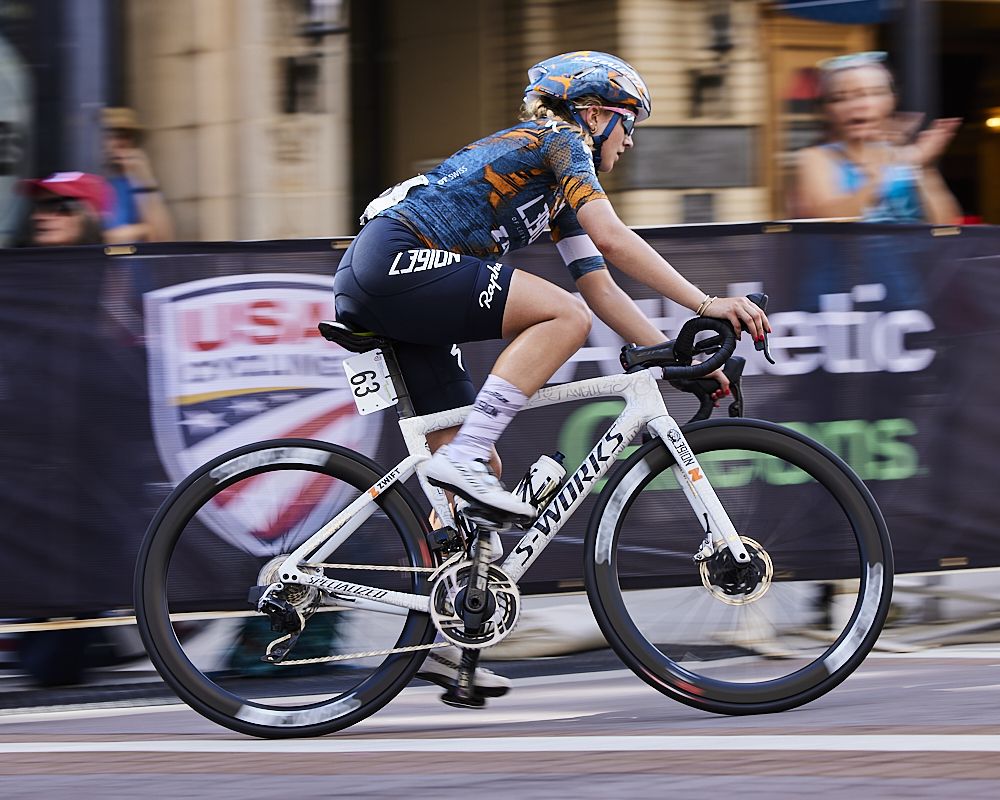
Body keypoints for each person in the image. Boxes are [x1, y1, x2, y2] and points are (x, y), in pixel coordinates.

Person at [334, 52, 770, 699]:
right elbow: (615, 241)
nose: (629, 140)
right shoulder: (562, 140)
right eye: (628, 125)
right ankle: (467, 458)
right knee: (557, 318)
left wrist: (676, 361)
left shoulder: (559, 181)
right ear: (594, 114)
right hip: (396, 261)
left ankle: (434, 636)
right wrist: (708, 305)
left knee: (473, 486)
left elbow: (601, 284)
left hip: (388, 280)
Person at [795, 51, 961, 224]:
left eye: (871, 94)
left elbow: (946, 223)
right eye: (839, 98)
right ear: (827, 110)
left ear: (891, 101)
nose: (857, 106)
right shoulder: (817, 158)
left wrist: (924, 167)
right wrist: (878, 177)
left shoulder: (908, 153)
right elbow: (831, 221)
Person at [101, 106, 175, 243]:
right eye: (112, 136)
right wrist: (142, 231)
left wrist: (144, 177)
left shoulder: (137, 181)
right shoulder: (94, 181)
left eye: (126, 136)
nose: (120, 143)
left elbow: (162, 238)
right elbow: (92, 239)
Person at [20, 171, 111, 247]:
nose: (37, 217)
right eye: (37, 206)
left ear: (89, 215)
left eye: (60, 206)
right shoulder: (18, 265)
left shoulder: (114, 267)